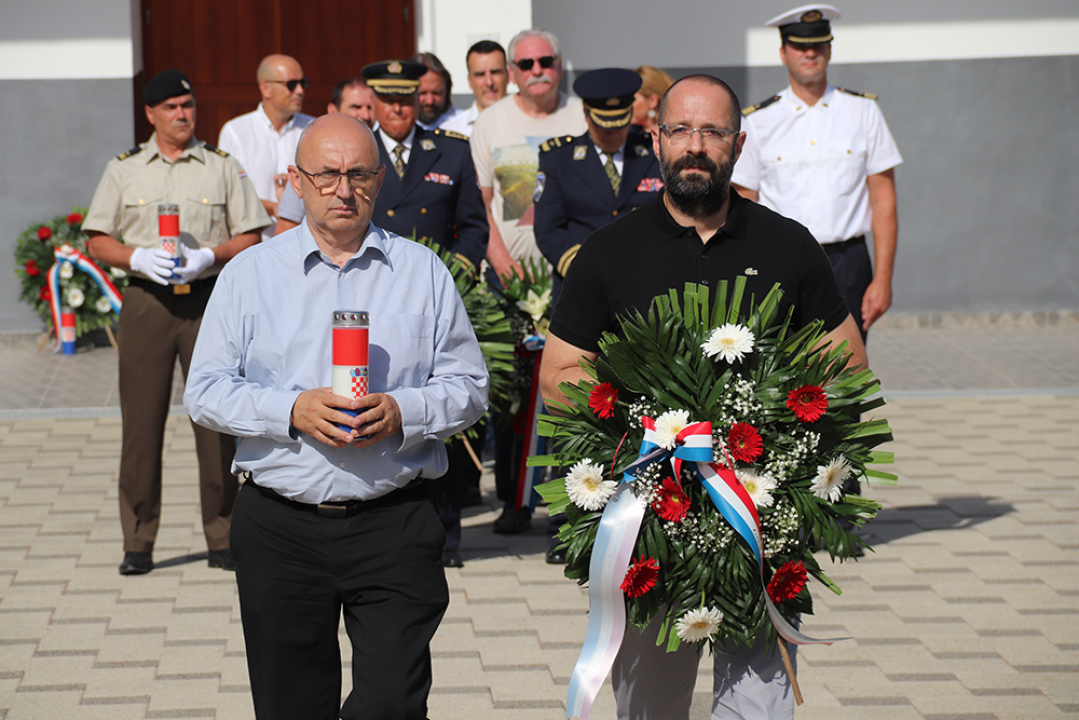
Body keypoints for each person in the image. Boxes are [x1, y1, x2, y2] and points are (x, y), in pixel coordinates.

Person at [540, 74, 866, 720]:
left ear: (738, 144)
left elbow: (846, 361)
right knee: (649, 710)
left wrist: (782, 448)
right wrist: (645, 430)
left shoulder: (785, 243)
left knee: (760, 708)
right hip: (650, 526)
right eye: (681, 130)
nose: (696, 146)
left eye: (712, 132)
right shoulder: (609, 252)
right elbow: (558, 374)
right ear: (655, 139)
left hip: (759, 520)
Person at [183, 113, 488, 720]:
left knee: (393, 703)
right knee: (291, 705)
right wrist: (290, 409)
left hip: (393, 521)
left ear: (380, 180)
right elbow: (205, 392)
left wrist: (405, 409)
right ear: (296, 180)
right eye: (326, 175)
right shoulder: (251, 274)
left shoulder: (421, 271)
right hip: (281, 526)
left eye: (358, 175)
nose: (342, 190)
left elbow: (470, 386)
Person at [82, 69, 269, 576]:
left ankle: (224, 535)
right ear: (150, 114)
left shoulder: (220, 165)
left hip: (208, 299)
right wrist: (136, 258)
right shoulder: (124, 169)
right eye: (170, 107)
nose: (182, 115)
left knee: (216, 423)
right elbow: (96, 237)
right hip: (147, 303)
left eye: (187, 105)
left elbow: (252, 233)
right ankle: (138, 539)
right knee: (141, 424)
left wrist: (211, 254)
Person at [732, 4, 902, 341]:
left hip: (847, 262)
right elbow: (743, 204)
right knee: (780, 374)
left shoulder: (863, 111)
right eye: (799, 45)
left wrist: (883, 280)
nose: (810, 52)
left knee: (846, 374)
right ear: (783, 52)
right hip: (780, 260)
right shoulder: (758, 120)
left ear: (829, 48)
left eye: (818, 44)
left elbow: (884, 202)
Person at [534, 67, 664, 303]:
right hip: (581, 287)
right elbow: (547, 229)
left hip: (646, 286)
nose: (612, 132)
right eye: (604, 125)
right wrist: (585, 269)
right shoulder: (558, 159)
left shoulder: (654, 153)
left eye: (619, 123)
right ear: (586, 114)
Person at [470, 28, 587, 283]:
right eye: (526, 64)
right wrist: (502, 263)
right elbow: (480, 205)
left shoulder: (584, 116)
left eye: (545, 62)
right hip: (510, 278)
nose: (536, 71)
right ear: (512, 73)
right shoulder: (489, 122)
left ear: (558, 65)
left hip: (577, 277)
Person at [218, 54, 315, 240]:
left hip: (306, 242)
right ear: (265, 88)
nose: (300, 90)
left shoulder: (314, 129)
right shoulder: (236, 132)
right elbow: (230, 194)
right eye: (291, 84)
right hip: (252, 245)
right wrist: (275, 208)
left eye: (304, 82)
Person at [441, 40, 510, 138]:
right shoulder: (450, 132)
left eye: (495, 72)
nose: (489, 82)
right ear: (469, 81)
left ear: (508, 76)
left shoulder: (528, 124)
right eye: (480, 75)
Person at [413, 52, 462, 130]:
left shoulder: (465, 126)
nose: (430, 101)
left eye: (436, 93)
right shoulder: (399, 128)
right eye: (422, 93)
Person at [631, 65, 674, 134]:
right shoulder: (627, 137)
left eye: (632, 99)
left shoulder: (672, 135)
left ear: (652, 101)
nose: (627, 105)